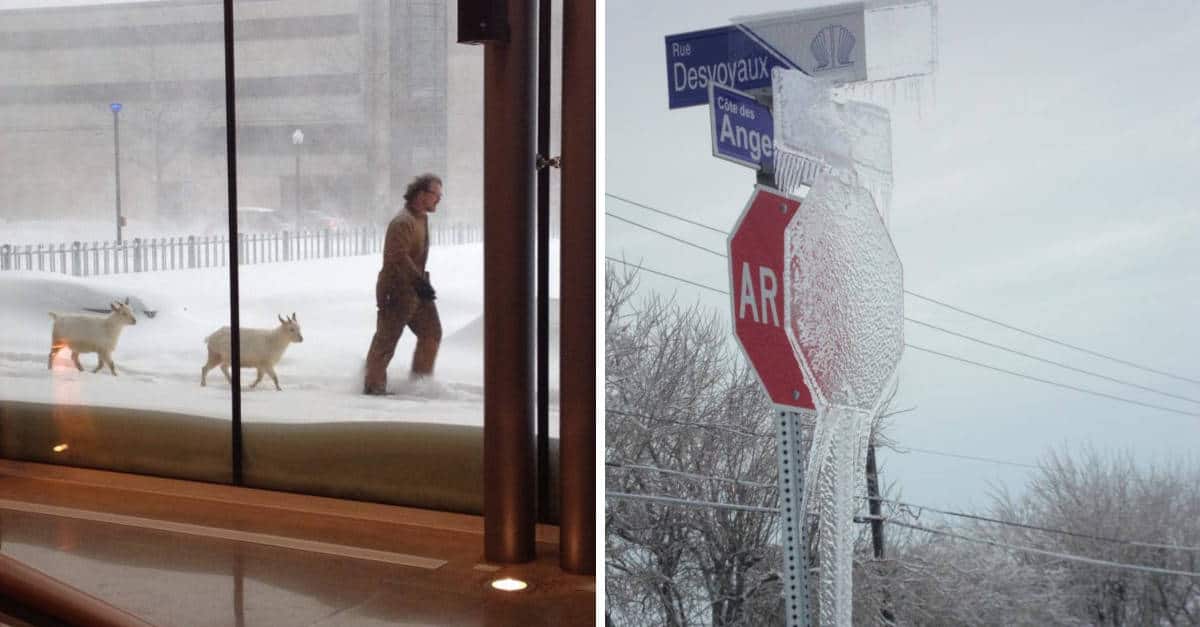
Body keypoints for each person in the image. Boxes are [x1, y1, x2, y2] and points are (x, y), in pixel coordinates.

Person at [363, 173, 443, 395]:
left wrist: (422, 285)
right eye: (436, 195)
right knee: (386, 340)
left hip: (417, 289)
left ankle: (420, 385)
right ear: (421, 194)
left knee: (431, 332)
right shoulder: (403, 222)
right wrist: (419, 283)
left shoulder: (421, 218)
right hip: (396, 290)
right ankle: (373, 386)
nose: (439, 199)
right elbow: (396, 257)